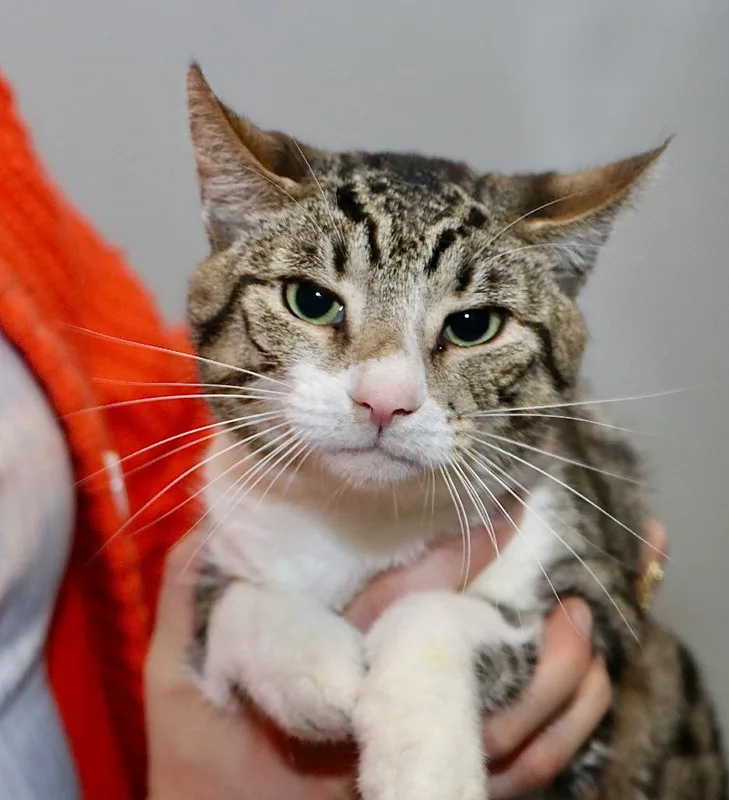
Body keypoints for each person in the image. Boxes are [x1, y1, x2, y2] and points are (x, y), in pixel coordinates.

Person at [0, 69, 666, 800]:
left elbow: (607, 589)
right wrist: (245, 633)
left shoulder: (537, 502)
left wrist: (432, 642)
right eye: (315, 300)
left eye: (469, 325)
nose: (386, 396)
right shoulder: (235, 494)